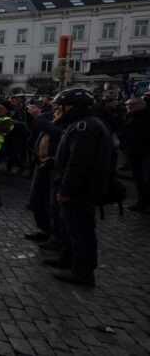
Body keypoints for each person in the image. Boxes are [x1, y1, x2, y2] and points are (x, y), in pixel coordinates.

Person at [43, 88, 111, 287]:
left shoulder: (83, 127)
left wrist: (66, 190)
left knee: (81, 231)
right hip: (79, 188)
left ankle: (82, 272)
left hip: (80, 190)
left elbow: (78, 163)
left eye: (60, 106)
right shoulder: (84, 124)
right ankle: (67, 258)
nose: (57, 109)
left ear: (72, 106)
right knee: (69, 227)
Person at [24, 103, 64, 247]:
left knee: (54, 205)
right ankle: (45, 229)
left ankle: (57, 236)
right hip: (41, 164)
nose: (56, 108)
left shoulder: (68, 122)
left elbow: (57, 134)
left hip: (54, 166)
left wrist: (38, 117)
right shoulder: (52, 117)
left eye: (59, 106)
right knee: (36, 201)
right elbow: (34, 125)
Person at [122, 97, 150, 212]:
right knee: (138, 179)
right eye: (128, 104)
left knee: (147, 179)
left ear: (141, 104)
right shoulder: (128, 116)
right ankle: (141, 202)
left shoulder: (148, 115)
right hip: (133, 153)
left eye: (133, 104)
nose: (130, 106)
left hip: (147, 153)